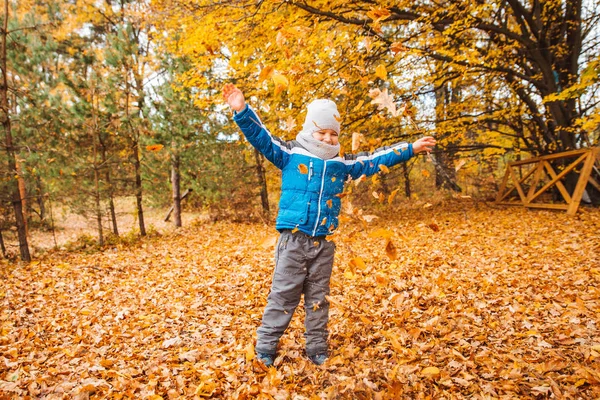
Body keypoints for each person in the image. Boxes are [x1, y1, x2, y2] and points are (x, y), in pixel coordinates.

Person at [222, 83, 436, 366]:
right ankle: (265, 347)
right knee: (283, 296)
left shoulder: (342, 164)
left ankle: (317, 349)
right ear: (309, 131)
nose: (327, 138)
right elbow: (262, 138)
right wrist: (242, 110)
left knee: (318, 299)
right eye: (321, 132)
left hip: (324, 241)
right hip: (294, 239)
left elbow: (376, 159)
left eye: (333, 134)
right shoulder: (291, 154)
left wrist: (410, 148)